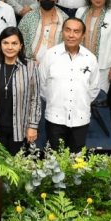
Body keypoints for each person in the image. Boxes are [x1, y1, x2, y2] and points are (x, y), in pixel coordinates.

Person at [39, 17, 100, 152]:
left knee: (77, 164)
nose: (71, 35)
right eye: (68, 30)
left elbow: (94, 88)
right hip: (55, 118)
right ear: (62, 32)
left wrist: (81, 102)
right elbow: (42, 86)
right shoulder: (50, 55)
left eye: (76, 31)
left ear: (83, 35)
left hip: (80, 118)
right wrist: (54, 101)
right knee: (54, 161)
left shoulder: (90, 58)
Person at [0, 27, 41, 155]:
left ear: (20, 46)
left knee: (18, 169)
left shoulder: (30, 67)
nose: (9, 47)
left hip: (21, 129)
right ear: (0, 45)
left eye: (14, 43)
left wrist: (33, 126)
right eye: (5, 43)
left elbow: (35, 98)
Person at [76, 0, 111, 131]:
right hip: (79, 64)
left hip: (103, 67)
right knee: (79, 99)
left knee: (98, 101)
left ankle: (97, 134)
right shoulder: (80, 12)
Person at [18, 0, 68, 65]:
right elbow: (19, 40)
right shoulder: (28, 17)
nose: (47, 0)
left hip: (56, 65)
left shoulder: (65, 19)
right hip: (30, 65)